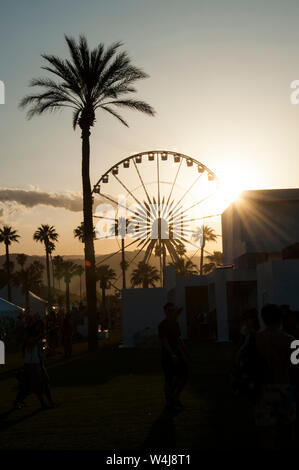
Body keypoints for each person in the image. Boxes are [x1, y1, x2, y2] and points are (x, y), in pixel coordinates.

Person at [253, 304, 296, 449]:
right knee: (286, 429)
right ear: (280, 319)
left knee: (265, 431)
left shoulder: (256, 339)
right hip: (284, 387)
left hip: (263, 388)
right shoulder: (290, 340)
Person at [158, 302, 188, 411]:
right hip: (168, 356)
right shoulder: (163, 325)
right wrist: (172, 355)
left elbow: (178, 339)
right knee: (169, 379)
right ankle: (170, 402)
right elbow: (165, 342)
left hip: (177, 354)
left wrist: (183, 351)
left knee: (183, 376)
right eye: (169, 310)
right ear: (165, 312)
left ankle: (174, 398)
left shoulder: (175, 323)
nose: (171, 312)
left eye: (173, 310)